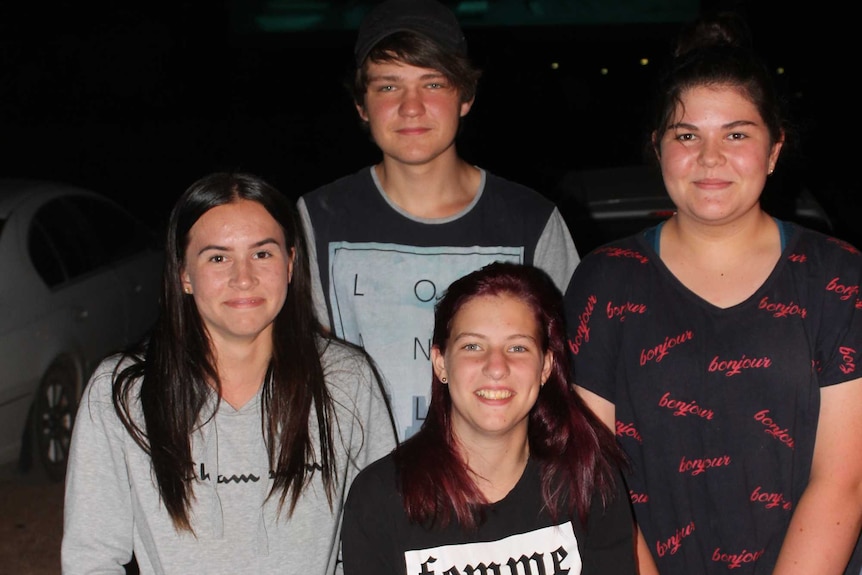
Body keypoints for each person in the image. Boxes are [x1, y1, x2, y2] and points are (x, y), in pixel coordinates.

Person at [567, 11, 862, 575]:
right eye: (686, 136)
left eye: (736, 134)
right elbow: (595, 482)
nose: (709, 158)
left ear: (774, 150)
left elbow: (843, 480)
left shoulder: (837, 277)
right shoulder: (605, 281)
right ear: (657, 149)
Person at [61, 172, 398, 574]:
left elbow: (380, 540)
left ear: (291, 263)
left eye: (262, 254)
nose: (244, 278)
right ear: (184, 273)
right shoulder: (123, 392)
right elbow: (92, 556)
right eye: (218, 257)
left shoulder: (347, 380)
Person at [297, 0, 580, 442]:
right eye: (388, 87)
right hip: (361, 493)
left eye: (433, 83)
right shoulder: (315, 219)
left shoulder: (531, 222)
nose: (412, 107)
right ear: (361, 105)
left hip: (499, 494)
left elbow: (570, 374)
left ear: (465, 96)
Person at [341, 261, 635, 574]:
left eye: (518, 347)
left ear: (546, 366)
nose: (496, 367)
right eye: (473, 346)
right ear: (440, 363)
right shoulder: (379, 498)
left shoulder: (588, 477)